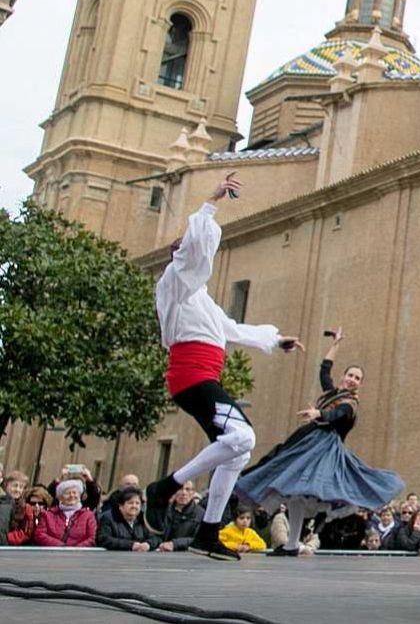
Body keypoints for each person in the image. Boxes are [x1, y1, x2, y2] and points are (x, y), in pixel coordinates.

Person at [143, 174, 304, 561]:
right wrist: (211, 204)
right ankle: (166, 487)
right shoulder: (174, 285)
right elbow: (195, 255)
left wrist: (273, 339)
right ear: (176, 255)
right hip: (191, 377)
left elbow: (230, 329)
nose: (191, 251)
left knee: (236, 453)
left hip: (200, 378)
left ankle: (208, 532)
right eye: (184, 248)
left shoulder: (202, 301)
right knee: (244, 436)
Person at [234, 327, 403, 557]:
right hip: (307, 442)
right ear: (345, 376)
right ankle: (292, 544)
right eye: (350, 375)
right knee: (294, 494)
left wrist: (319, 415)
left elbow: (337, 415)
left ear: (360, 384)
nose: (353, 380)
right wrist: (336, 344)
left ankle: (300, 537)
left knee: (303, 489)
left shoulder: (350, 403)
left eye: (357, 378)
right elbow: (324, 371)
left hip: (324, 448)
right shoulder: (332, 393)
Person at [97, 486, 166, 552]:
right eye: (130, 503)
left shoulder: (144, 519)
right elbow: (104, 539)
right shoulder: (109, 518)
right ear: (120, 506)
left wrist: (148, 544)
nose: (134, 506)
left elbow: (157, 538)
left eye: (137, 503)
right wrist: (131, 545)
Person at [32, 479, 97, 547]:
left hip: (79, 555)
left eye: (74, 492)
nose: (72, 495)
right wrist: (61, 546)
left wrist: (75, 549)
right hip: (53, 554)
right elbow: (39, 534)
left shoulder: (88, 515)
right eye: (67, 493)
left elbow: (92, 538)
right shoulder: (48, 515)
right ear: (60, 497)